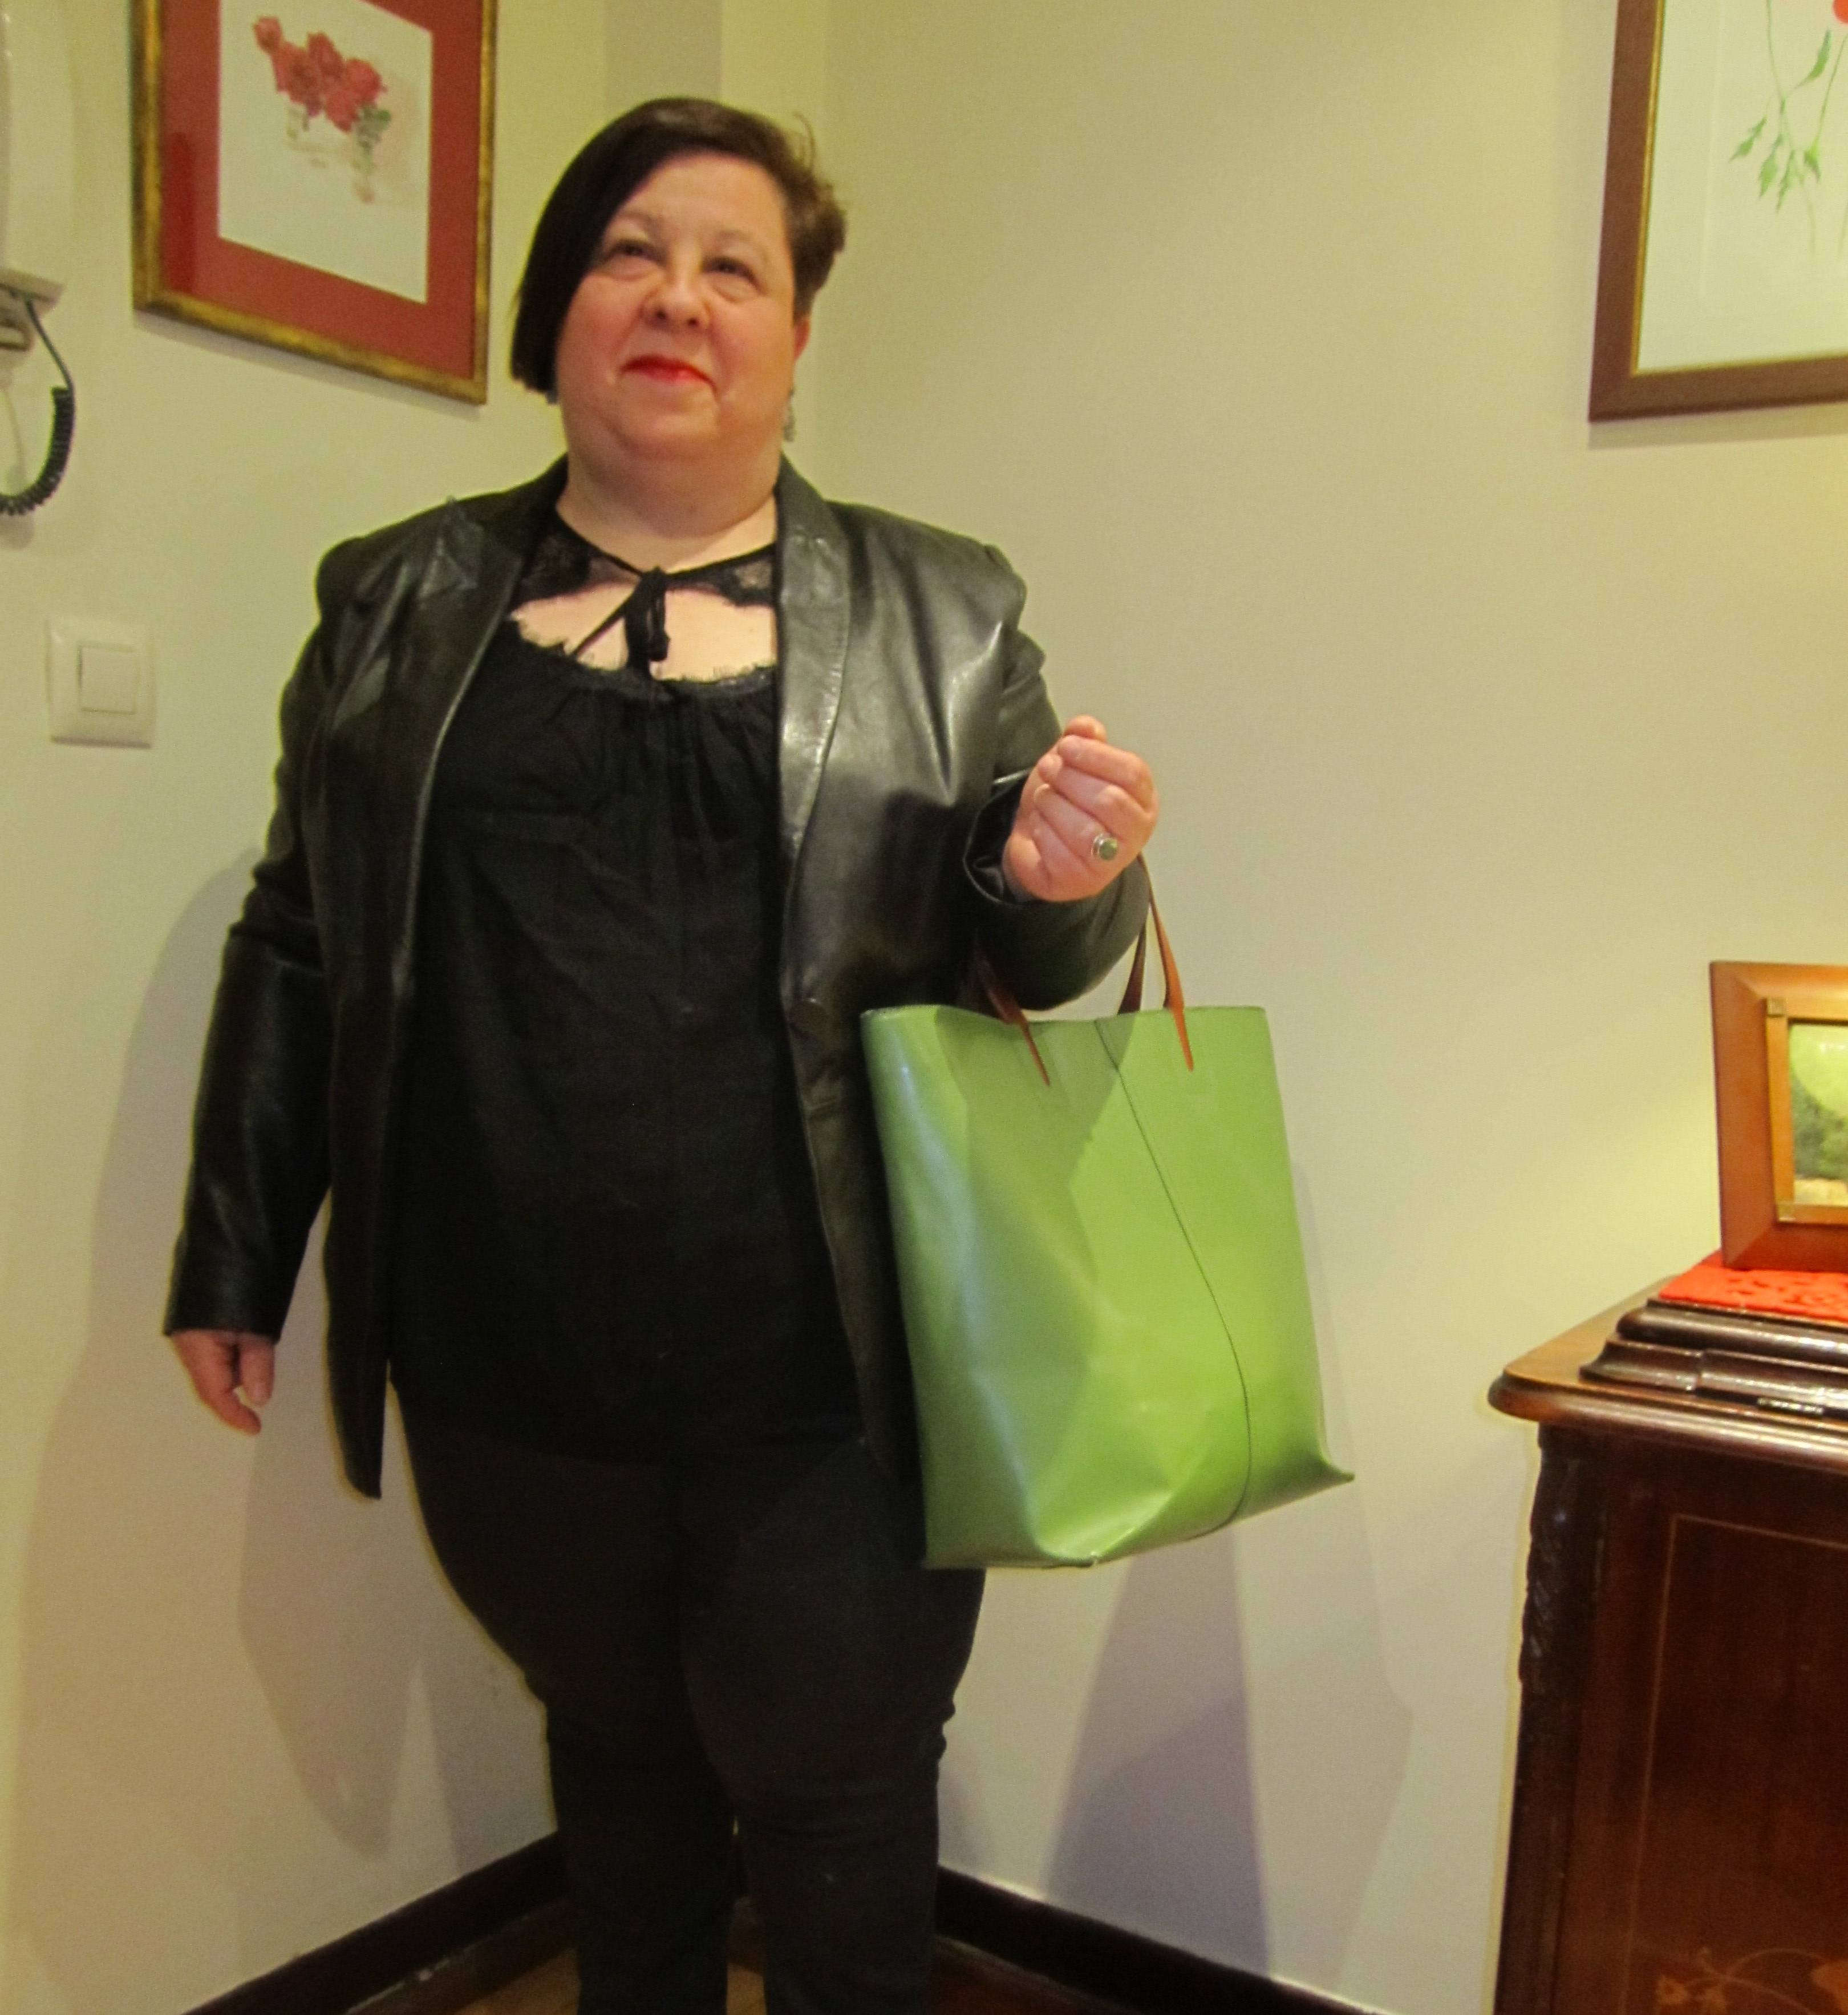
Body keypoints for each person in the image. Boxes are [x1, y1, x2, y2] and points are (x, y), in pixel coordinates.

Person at [166, 98, 1158, 2015]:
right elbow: (306, 935)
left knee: (841, 1816)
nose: (679, 298)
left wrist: (1065, 874)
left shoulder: (949, 614)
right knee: (618, 1787)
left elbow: (1042, 954)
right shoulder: (388, 601)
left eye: (733, 268)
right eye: (631, 252)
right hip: (507, 1369)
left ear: (797, 336)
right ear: (557, 313)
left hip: (832, 1391)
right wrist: (235, 1250)